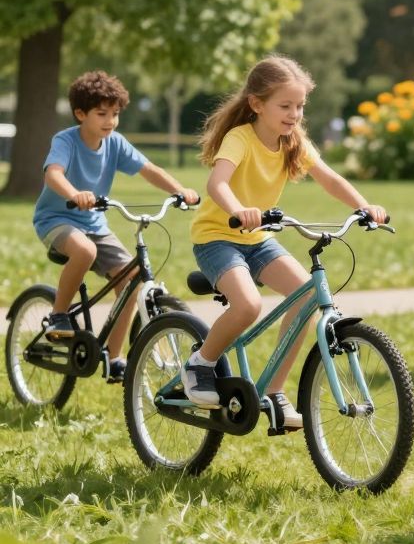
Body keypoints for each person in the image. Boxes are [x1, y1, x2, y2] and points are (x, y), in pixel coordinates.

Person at [181, 56, 388, 425]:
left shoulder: (294, 142)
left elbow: (329, 178)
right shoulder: (240, 138)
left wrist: (363, 205)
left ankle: (274, 391)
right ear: (257, 104)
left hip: (258, 238)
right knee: (247, 305)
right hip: (217, 237)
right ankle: (201, 363)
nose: (294, 114)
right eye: (285, 105)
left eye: (300, 106)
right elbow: (218, 183)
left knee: (306, 295)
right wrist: (239, 209)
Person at [32, 71, 201, 375]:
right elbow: (53, 174)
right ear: (80, 113)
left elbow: (148, 169)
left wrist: (179, 190)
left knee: (131, 278)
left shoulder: (116, 144)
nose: (110, 121)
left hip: (94, 223)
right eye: (102, 114)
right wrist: (75, 193)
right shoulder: (66, 140)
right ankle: (58, 314)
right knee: (84, 251)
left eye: (115, 113)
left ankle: (115, 355)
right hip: (56, 218)